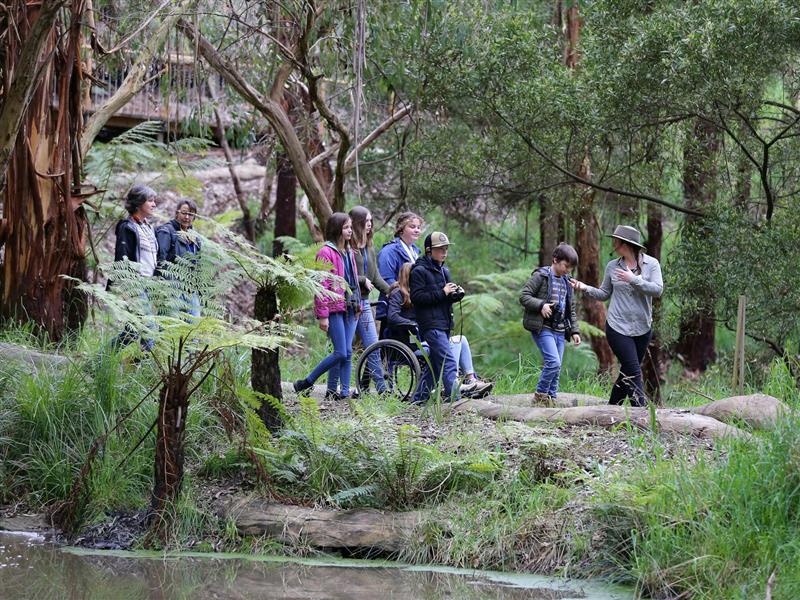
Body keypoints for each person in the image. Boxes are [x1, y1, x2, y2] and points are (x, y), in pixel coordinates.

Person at [569, 225, 663, 407]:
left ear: (625, 244)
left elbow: (658, 290)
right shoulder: (613, 266)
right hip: (617, 327)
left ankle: (611, 410)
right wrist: (584, 287)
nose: (613, 243)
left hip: (643, 328)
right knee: (634, 370)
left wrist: (633, 279)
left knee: (627, 370)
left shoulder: (651, 264)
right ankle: (641, 416)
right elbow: (604, 293)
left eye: (616, 240)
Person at [388, 262, 493, 399]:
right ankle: (452, 382)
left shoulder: (418, 295)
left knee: (461, 339)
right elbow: (392, 316)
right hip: (411, 341)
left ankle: (470, 378)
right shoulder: (398, 294)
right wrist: (413, 324)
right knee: (453, 344)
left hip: (427, 336)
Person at [293, 213, 361, 401]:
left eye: (350, 227)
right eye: (346, 227)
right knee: (341, 352)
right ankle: (305, 382)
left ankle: (340, 392)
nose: (350, 230)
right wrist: (322, 315)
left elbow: (353, 281)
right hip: (333, 308)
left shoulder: (348, 251)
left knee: (346, 352)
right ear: (337, 228)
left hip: (349, 306)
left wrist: (358, 305)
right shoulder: (326, 252)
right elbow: (321, 286)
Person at [519, 243, 581, 406]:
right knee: (553, 362)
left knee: (557, 366)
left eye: (570, 268)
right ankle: (540, 395)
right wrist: (541, 305)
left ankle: (551, 398)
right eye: (566, 266)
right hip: (542, 327)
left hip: (560, 329)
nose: (568, 270)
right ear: (555, 260)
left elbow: (571, 308)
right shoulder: (541, 276)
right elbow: (524, 296)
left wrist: (575, 331)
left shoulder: (568, 282)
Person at [409, 231, 464, 404]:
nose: (444, 252)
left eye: (445, 248)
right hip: (431, 325)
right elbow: (417, 298)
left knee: (434, 366)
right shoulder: (418, 271)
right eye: (440, 249)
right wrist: (442, 292)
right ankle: (456, 402)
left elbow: (444, 297)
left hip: (444, 323)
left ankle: (418, 400)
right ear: (428, 250)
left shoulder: (444, 270)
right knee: (448, 363)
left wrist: (455, 294)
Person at [112, 184, 159, 350]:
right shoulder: (127, 227)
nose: (154, 204)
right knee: (149, 328)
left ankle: (94, 365)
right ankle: (146, 370)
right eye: (150, 201)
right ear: (139, 203)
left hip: (148, 284)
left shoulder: (148, 227)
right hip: (134, 284)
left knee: (131, 332)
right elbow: (122, 259)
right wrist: (125, 287)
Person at [349, 205, 390, 395]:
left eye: (371, 221)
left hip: (364, 305)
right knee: (342, 353)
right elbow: (342, 277)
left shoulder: (369, 248)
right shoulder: (348, 248)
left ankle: (382, 390)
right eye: (366, 221)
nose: (370, 225)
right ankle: (319, 385)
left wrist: (392, 291)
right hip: (348, 305)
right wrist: (361, 280)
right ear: (357, 223)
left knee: (373, 347)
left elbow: (376, 277)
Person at [376, 212, 424, 330]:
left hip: (412, 307)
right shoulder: (389, 251)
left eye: (418, 227)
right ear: (401, 229)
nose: (417, 230)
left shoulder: (416, 251)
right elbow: (386, 280)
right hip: (395, 308)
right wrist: (403, 295)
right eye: (412, 227)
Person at [156, 199, 201, 317]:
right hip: (172, 286)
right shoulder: (166, 231)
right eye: (184, 213)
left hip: (190, 288)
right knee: (168, 326)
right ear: (177, 213)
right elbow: (161, 260)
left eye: (191, 214)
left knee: (193, 327)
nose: (187, 217)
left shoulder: (195, 238)